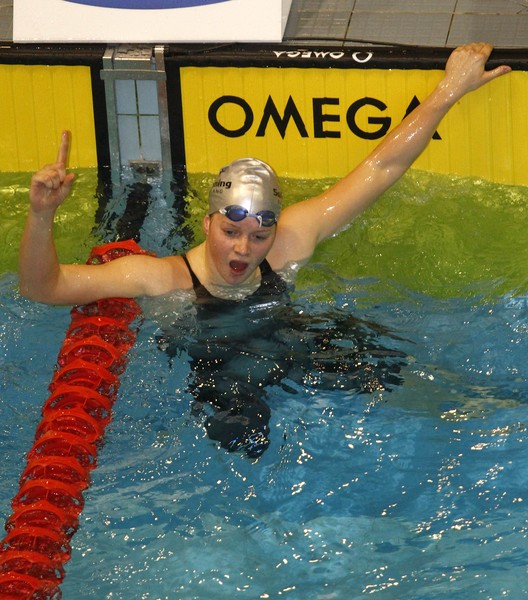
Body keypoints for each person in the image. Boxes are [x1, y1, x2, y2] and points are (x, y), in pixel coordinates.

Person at [19, 43, 510, 456]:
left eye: (258, 237)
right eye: (230, 233)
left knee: (393, 367)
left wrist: (451, 89)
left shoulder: (288, 244)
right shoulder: (158, 278)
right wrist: (42, 215)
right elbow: (44, 287)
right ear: (209, 222)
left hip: (293, 343)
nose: (243, 250)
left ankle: (486, 415)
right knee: (244, 443)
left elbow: (381, 169)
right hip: (225, 375)